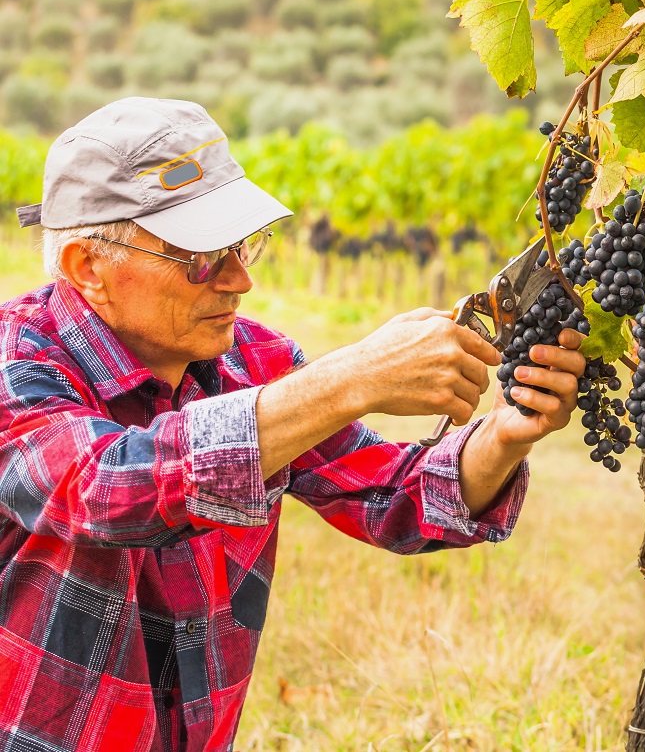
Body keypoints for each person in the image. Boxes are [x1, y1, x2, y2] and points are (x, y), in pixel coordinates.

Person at [0, 98, 586, 751]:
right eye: (201, 258)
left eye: (242, 246)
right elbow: (109, 487)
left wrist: (505, 434)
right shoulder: (17, 365)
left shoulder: (252, 362)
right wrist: (350, 379)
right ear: (89, 268)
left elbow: (393, 498)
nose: (240, 279)